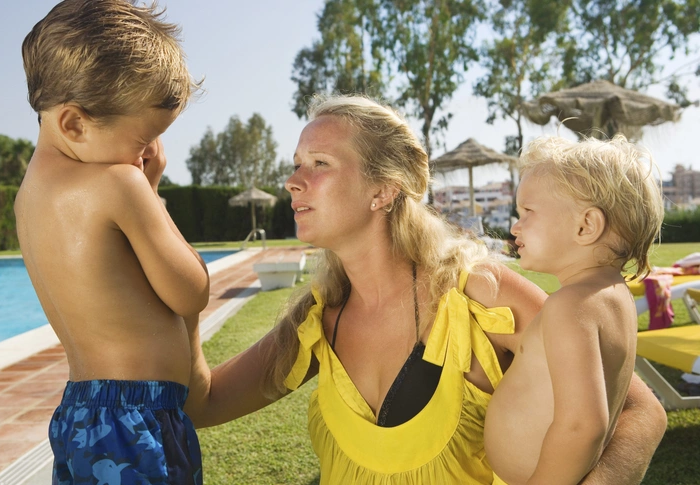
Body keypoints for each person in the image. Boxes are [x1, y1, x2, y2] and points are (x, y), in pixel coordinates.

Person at [184, 95, 667, 484]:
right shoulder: (314, 322)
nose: (292, 181)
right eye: (296, 164)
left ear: (384, 190)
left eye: (320, 163)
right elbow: (202, 404)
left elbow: (640, 409)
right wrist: (181, 296)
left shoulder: (477, 294)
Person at [16, 1, 209, 484]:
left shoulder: (28, 199)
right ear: (75, 124)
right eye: (144, 138)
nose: (148, 153)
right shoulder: (120, 185)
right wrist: (150, 191)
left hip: (80, 415)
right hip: (138, 419)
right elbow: (191, 290)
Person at [484, 135, 665, 485]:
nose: (514, 226)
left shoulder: (571, 307)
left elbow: (583, 426)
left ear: (586, 226)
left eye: (527, 212)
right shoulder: (612, 297)